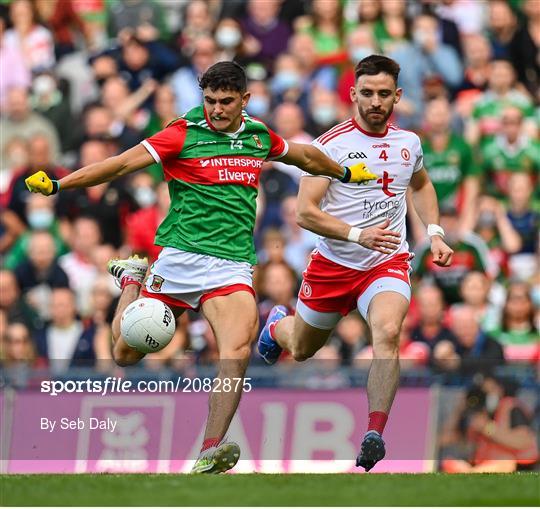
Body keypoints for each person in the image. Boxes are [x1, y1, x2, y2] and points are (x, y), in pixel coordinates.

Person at [25, 61, 377, 474]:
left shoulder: (257, 135)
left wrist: (345, 171)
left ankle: (209, 450)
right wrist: (60, 183)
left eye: (226, 102)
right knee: (124, 354)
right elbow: (120, 164)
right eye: (209, 101)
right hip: (178, 259)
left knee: (236, 351)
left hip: (230, 266)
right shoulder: (182, 133)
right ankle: (132, 282)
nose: (217, 109)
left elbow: (302, 156)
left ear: (244, 100)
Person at [257, 55, 453, 472]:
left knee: (387, 330)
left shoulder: (409, 144)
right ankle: (277, 324)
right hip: (333, 264)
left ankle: (374, 433)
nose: (376, 101)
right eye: (367, 93)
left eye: (384, 93)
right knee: (302, 348)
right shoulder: (330, 146)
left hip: (386, 261)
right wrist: (356, 234)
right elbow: (305, 212)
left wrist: (434, 231)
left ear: (397, 96)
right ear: (353, 94)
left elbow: (421, 185)